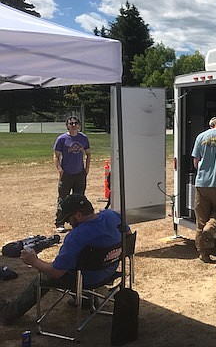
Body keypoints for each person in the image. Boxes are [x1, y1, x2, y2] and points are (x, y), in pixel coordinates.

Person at [0, 194, 126, 325]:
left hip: (86, 279)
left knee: (44, 277)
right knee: (77, 263)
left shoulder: (76, 236)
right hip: (109, 271)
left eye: (69, 219)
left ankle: (8, 312)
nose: (69, 224)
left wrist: (34, 261)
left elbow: (56, 272)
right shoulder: (112, 216)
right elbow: (127, 237)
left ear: (78, 215)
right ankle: (86, 300)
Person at [191, 116, 216, 263]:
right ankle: (210, 229)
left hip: (201, 183)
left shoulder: (201, 136)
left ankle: (203, 254)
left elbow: (195, 163)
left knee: (200, 219)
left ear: (210, 126)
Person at [53, 116, 91, 232]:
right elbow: (56, 156)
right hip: (67, 174)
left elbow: (88, 153)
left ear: (79, 125)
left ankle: (78, 221)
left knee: (79, 198)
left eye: (75, 123)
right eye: (71, 123)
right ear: (67, 126)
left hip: (80, 173)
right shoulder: (62, 139)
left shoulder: (83, 138)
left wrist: (87, 168)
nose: (73, 125)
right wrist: (60, 169)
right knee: (63, 198)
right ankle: (60, 222)